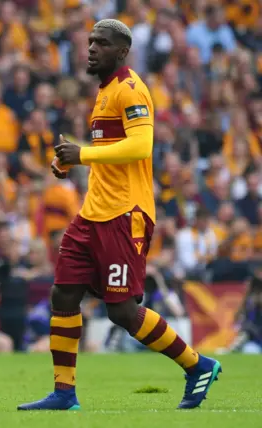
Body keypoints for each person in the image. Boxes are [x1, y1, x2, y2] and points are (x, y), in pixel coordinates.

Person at [17, 20, 221, 412]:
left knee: (122, 312)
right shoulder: (104, 92)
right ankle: (64, 393)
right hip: (93, 211)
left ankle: (198, 366)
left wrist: (84, 155)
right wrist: (70, 164)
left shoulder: (130, 89)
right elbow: (110, 153)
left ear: (122, 51)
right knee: (63, 293)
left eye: (102, 43)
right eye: (90, 42)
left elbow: (142, 145)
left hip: (125, 214)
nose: (91, 48)